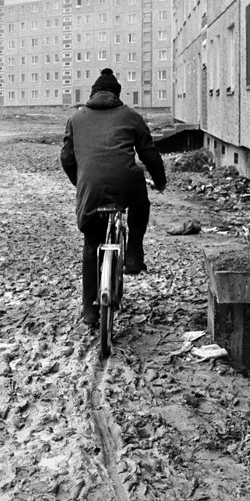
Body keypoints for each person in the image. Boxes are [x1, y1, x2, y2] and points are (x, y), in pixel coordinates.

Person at [61, 68, 167, 327]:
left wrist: (82, 183)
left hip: (90, 188)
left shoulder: (76, 119)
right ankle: (132, 255)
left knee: (90, 244)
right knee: (140, 202)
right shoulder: (131, 116)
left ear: (93, 94)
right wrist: (161, 181)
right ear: (117, 95)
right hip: (125, 184)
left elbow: (66, 158)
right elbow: (149, 154)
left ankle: (88, 309)